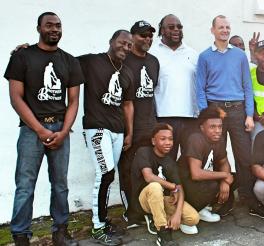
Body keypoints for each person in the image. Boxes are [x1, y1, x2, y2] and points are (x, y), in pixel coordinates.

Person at [4, 12, 84, 246]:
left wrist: (63, 131)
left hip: (61, 128)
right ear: (38, 28)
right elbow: (16, 98)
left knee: (60, 184)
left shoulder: (70, 61)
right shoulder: (22, 57)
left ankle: (60, 232)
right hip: (31, 130)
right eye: (49, 25)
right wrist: (40, 130)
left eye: (58, 25)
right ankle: (20, 237)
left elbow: (74, 101)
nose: (54, 29)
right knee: (25, 185)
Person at [78, 30, 135, 245]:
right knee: (105, 173)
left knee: (109, 177)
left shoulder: (127, 72)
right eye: (122, 43)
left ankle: (102, 220)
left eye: (129, 45)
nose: (126, 47)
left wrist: (129, 132)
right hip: (97, 127)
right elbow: (61, 63)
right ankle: (97, 227)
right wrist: (27, 50)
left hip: (118, 130)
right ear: (111, 41)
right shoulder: (92, 62)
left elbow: (128, 105)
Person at [196, 15, 255, 206]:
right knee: (218, 156)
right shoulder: (204, 56)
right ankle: (222, 198)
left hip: (238, 110)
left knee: (244, 156)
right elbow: (200, 89)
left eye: (228, 27)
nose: (225, 31)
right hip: (215, 110)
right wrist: (207, 117)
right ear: (212, 30)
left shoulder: (239, 55)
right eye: (221, 27)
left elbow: (247, 86)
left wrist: (249, 115)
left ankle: (247, 196)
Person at [118, 20, 160, 227]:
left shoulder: (154, 62)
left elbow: (152, 95)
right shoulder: (122, 60)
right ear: (132, 37)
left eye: (150, 35)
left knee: (149, 170)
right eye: (143, 35)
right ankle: (131, 214)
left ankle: (147, 208)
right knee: (127, 170)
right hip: (128, 128)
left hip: (149, 126)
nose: (147, 39)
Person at [131, 123, 199, 245]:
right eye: (163, 139)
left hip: (162, 199)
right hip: (144, 200)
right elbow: (148, 177)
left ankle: (159, 218)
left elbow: (180, 188)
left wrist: (177, 214)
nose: (168, 142)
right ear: (153, 141)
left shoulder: (170, 162)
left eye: (170, 139)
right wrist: (173, 187)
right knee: (155, 186)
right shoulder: (144, 152)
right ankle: (163, 235)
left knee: (193, 218)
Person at [149, 14, 199, 160]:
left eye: (179, 27)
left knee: (190, 160)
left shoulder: (193, 54)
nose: (176, 30)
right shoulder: (152, 53)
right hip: (163, 117)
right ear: (162, 30)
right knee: (166, 160)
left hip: (190, 118)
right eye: (171, 27)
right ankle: (168, 184)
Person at [178, 106, 236, 222]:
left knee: (235, 178)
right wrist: (224, 175)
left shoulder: (219, 139)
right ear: (202, 128)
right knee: (214, 185)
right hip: (186, 183)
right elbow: (196, 174)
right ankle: (197, 209)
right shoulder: (196, 139)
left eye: (220, 127)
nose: (217, 131)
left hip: (204, 179)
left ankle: (206, 206)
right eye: (212, 127)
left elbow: (224, 162)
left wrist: (225, 181)